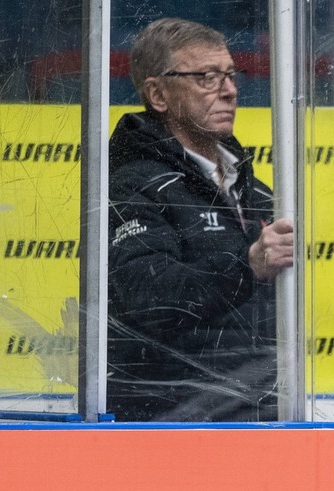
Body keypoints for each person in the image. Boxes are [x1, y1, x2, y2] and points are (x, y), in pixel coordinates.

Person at [107, 18, 295, 422]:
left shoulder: (256, 190)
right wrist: (246, 266)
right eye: (207, 77)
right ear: (158, 94)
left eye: (230, 75)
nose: (229, 91)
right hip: (173, 421)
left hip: (261, 412)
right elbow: (147, 297)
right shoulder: (132, 186)